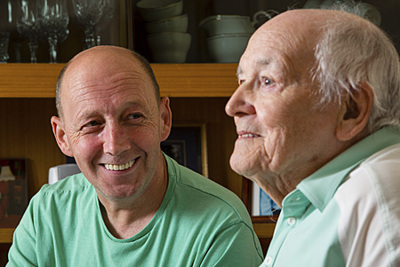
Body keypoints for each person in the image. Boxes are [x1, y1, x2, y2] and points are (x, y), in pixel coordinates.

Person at [7, 46, 263, 266]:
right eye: (93, 123)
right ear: (63, 137)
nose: (115, 145)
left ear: (163, 119)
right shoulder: (47, 212)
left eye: (133, 117)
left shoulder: (221, 225)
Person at [225, 7, 400, 267]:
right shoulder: (313, 199)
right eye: (242, 81)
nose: (232, 106)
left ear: (351, 108)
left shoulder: (378, 193)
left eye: (267, 81)